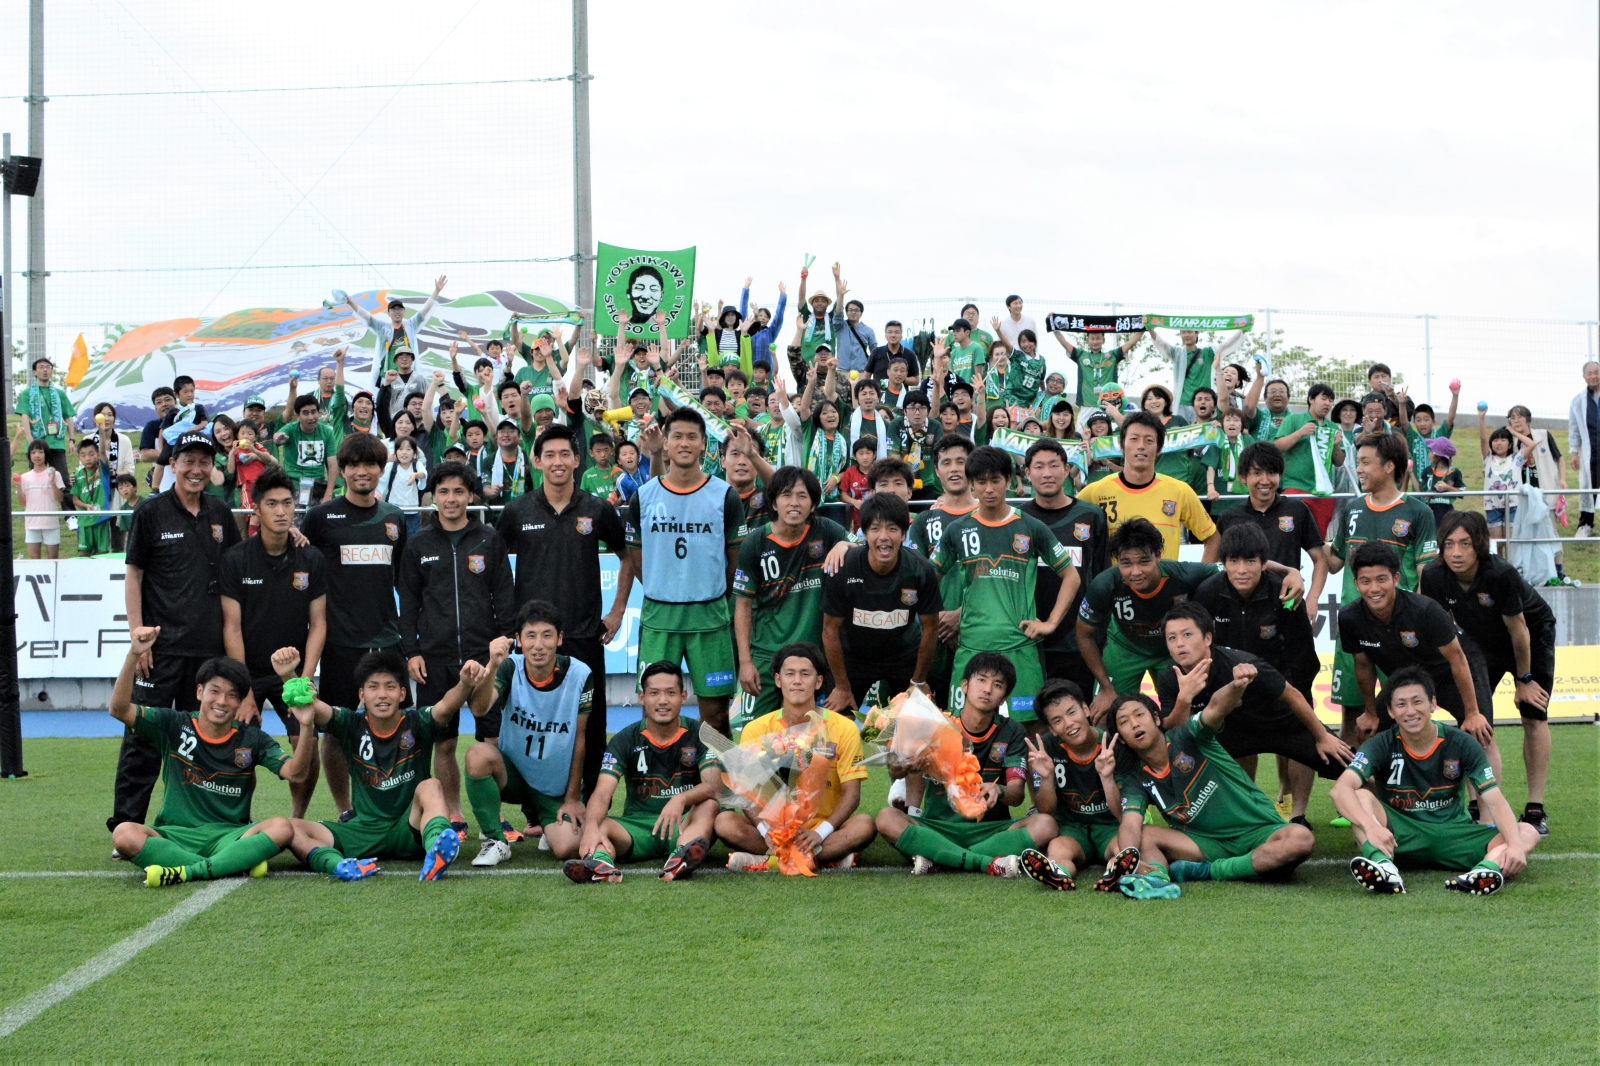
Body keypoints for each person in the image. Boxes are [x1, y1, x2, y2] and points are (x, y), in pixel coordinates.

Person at [109, 431, 243, 844]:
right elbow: (134, 576)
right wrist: (138, 638)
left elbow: (240, 565)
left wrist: (293, 536)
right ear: (173, 465)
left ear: (213, 468)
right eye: (188, 461)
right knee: (143, 739)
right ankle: (126, 825)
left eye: (204, 462)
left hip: (207, 653)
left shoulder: (220, 512)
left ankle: (192, 825)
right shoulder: (151, 511)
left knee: (199, 743)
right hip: (159, 650)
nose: (196, 470)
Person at [109, 628, 314, 887]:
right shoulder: (174, 724)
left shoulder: (253, 739)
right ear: (199, 692)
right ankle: (231, 862)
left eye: (232, 695)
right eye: (214, 691)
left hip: (230, 836)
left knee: (282, 827)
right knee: (124, 833)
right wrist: (133, 654)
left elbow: (297, 773)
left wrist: (306, 725)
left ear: (240, 702)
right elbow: (119, 709)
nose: (222, 701)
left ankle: (186, 870)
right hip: (176, 835)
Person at [496, 423, 631, 799]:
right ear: (538, 461)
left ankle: (591, 804)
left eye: (565, 454)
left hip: (584, 634)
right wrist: (508, 625)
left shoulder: (597, 509)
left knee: (591, 723)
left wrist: (618, 611)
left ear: (576, 460)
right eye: (550, 455)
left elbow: (627, 558)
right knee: (533, 723)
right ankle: (534, 811)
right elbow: (493, 566)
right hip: (534, 642)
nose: (558, 462)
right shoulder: (517, 511)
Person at [1331, 667, 1540, 896]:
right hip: (1398, 837)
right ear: (1390, 711)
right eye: (1401, 704)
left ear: (1432, 704)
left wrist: (1516, 846)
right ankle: (1384, 868)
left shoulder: (1461, 743)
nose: (1410, 711)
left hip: (1455, 835)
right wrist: (1371, 827)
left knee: (1527, 832)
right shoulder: (1380, 744)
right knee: (1360, 797)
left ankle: (1483, 872)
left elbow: (1494, 800)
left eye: (1417, 702)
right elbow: (1340, 790)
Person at [284, 649, 473, 881]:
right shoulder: (350, 723)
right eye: (373, 687)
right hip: (363, 831)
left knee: (431, 786)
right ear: (362, 694)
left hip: (410, 828)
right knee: (292, 828)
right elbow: (313, 706)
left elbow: (445, 707)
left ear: (402, 693)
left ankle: (436, 847)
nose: (382, 695)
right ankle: (337, 865)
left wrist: (465, 684)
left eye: (390, 687)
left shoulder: (417, 721)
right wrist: (288, 674)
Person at [1156, 604, 1352, 826]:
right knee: (1182, 757)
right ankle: (1207, 821)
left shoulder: (1241, 663)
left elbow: (1293, 695)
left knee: (1350, 766)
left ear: (1208, 638)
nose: (1180, 643)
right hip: (1233, 734)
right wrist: (1184, 699)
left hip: (1281, 726)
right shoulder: (1169, 678)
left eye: (1187, 635)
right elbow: (1176, 731)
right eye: (1172, 638)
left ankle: (1306, 815)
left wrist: (1322, 736)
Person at [1422, 511, 1557, 835]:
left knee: (1533, 714)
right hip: (1480, 645)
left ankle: (1535, 808)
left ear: (1480, 545)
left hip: (1531, 637)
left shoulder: (1500, 573)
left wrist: (1524, 680)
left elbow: (1519, 630)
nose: (1456, 553)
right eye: (1449, 544)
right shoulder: (1434, 575)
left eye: (1465, 544)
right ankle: (1477, 804)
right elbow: (1436, 628)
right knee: (1475, 721)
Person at [398, 460, 515, 831]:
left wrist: (506, 638)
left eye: (459, 491)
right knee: (444, 743)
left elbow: (504, 592)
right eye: (444, 491)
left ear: (471, 496)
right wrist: (412, 651)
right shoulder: (418, 544)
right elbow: (408, 604)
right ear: (433, 496)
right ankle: (454, 813)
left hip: (484, 656)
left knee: (491, 741)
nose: (451, 499)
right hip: (435, 658)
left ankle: (495, 815)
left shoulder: (488, 538)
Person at [1108, 682, 1315, 892]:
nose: (1134, 724)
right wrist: (1129, 860)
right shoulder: (1135, 779)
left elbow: (1215, 708)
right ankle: (1156, 879)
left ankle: (1208, 871)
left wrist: (1236, 684)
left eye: (1139, 715)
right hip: (1205, 844)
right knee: (1143, 834)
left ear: (1156, 718)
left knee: (1301, 840)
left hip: (1259, 831)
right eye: (1124, 722)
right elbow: (1130, 824)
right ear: (1122, 739)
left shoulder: (1189, 737)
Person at [301, 432, 409, 820]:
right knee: (335, 729)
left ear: (381, 469)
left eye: (370, 464)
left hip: (388, 640)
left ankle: (397, 809)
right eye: (353, 465)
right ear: (343, 470)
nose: (362, 471)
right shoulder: (320, 517)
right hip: (339, 643)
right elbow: (303, 573)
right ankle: (345, 809)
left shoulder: (394, 518)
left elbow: (403, 580)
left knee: (399, 727)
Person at [618, 407, 746, 735]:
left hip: (710, 617)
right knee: (657, 711)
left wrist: (712, 593)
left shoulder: (725, 495)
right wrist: (662, 586)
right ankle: (661, 771)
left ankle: (717, 771)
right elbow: (636, 558)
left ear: (704, 444)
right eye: (677, 436)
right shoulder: (644, 496)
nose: (684, 443)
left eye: (692, 437)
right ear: (666, 443)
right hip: (660, 617)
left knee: (715, 716)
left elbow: (735, 561)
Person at [930, 446, 1080, 724]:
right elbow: (928, 577)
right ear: (972, 484)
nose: (989, 489)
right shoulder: (957, 530)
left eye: (995, 480)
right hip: (972, 646)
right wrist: (936, 616)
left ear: (1009, 481)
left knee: (1030, 728)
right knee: (963, 728)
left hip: (1020, 646)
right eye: (981, 482)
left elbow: (1072, 576)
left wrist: (1050, 623)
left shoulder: (1031, 527)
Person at [1338, 543, 1499, 800]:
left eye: (1381, 579)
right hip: (1407, 682)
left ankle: (1484, 812)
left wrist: (1472, 713)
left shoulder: (1424, 610)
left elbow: (1458, 659)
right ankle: (1384, 805)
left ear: (1396, 579)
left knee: (1480, 733)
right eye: (1366, 581)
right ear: (1356, 583)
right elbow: (1364, 665)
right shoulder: (1349, 617)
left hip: (1452, 672)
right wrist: (1370, 712)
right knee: (1371, 732)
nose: (1374, 589)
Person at [875, 652, 1056, 876]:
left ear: (1003, 698)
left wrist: (998, 790)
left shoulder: (1013, 731)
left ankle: (940, 858)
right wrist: (908, 766)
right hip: (938, 827)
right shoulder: (936, 723)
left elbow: (1016, 794)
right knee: (886, 818)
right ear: (964, 686)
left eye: (997, 685)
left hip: (989, 830)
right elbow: (895, 770)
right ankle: (985, 862)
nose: (987, 689)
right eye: (981, 680)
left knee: (1046, 825)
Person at [219, 466, 328, 819]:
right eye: (271, 504)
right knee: (239, 749)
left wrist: (303, 680)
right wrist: (243, 689)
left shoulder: (310, 558)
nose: (281, 511)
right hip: (247, 673)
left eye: (287, 503)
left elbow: (318, 623)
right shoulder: (236, 559)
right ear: (256, 509)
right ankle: (239, 822)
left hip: (291, 675)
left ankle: (297, 820)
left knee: (306, 744)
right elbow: (232, 627)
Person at [1194, 523, 1323, 818]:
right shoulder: (1207, 592)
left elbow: (1302, 654)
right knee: (1235, 748)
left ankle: (1299, 815)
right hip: (1233, 693)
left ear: (1264, 563)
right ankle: (1247, 814)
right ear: (1223, 562)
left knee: (1305, 741)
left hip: (1282, 690)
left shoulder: (1286, 593)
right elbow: (1202, 650)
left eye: (1250, 561)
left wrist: (1294, 695)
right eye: (1234, 561)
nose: (1242, 570)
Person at [717, 643, 880, 872]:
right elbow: (748, 794)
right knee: (725, 823)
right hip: (774, 829)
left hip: (824, 830)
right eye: (790, 674)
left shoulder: (844, 728)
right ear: (777, 680)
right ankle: (821, 858)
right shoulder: (756, 729)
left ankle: (772, 860)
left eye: (805, 674)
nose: (797, 681)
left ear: (819, 681)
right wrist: (767, 832)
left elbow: (852, 795)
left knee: (864, 825)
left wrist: (820, 832)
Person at [1327, 432, 1439, 754]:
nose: (1359, 469)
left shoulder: (1418, 512)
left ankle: (1409, 774)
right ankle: (1352, 781)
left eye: (1365, 462)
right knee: (1353, 717)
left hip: (1400, 630)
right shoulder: (1353, 509)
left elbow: (1426, 573)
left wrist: (1421, 620)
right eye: (1358, 462)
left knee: (1405, 712)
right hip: (1353, 629)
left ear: (1389, 466)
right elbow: (1333, 562)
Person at [559, 661, 718, 883]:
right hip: (637, 828)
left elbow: (712, 786)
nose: (662, 701)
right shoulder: (624, 739)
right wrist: (591, 827)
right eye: (654, 693)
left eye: (670, 693)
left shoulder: (703, 733)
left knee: (709, 805)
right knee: (598, 824)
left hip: (682, 825)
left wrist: (681, 799)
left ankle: (679, 859)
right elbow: (603, 793)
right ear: (642, 698)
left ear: (683, 696)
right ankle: (601, 866)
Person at [463, 603, 594, 866]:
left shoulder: (580, 674)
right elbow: (478, 709)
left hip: (553, 788)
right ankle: (496, 841)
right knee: (477, 754)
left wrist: (572, 798)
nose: (538, 645)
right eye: (531, 636)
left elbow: (580, 738)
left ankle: (548, 825)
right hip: (513, 776)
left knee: (568, 847)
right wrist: (493, 665)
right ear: (519, 640)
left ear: (559, 639)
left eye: (547, 635)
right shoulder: (510, 667)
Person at [733, 466, 851, 719]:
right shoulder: (755, 543)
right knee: (755, 736)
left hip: (818, 654)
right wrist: (745, 662)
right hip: (766, 654)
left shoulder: (827, 530)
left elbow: (864, 545)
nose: (794, 503)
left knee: (829, 732)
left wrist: (845, 544)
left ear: (813, 504)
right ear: (774, 503)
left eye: (802, 496)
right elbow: (742, 605)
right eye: (786, 495)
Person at [820, 492, 943, 712]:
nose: (884, 536)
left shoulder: (920, 569)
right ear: (865, 533)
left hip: (904, 656)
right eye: (875, 528)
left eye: (892, 529)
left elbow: (931, 627)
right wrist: (841, 686)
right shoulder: (845, 567)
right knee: (838, 725)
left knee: (915, 722)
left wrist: (918, 681)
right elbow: (830, 630)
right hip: (854, 658)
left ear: (903, 534)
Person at [1020, 438, 1110, 697]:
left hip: (1079, 639)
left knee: (1078, 710)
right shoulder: (1018, 519)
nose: (1047, 473)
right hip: (1029, 637)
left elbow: (1103, 577)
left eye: (1054, 465)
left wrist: (1099, 631)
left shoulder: (1091, 515)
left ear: (1067, 469)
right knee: (1033, 713)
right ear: (1027, 474)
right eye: (1039, 467)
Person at [1015, 680, 1125, 891]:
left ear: (1085, 709)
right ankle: (1058, 873)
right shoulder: (1046, 748)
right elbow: (1046, 811)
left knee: (1122, 847)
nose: (1069, 723)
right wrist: (1046, 777)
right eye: (1057, 720)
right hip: (1072, 828)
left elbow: (1122, 812)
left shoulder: (1113, 745)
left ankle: (1116, 872)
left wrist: (1107, 778)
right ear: (1051, 729)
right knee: (1058, 848)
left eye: (1072, 712)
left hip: (1110, 826)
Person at [1078, 411, 1218, 560]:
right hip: (1114, 576)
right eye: (1134, 439)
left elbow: (1213, 538)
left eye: (1149, 440)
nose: (1141, 446)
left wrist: (1201, 574)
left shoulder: (1179, 491)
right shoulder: (1094, 492)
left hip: (1163, 576)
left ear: (1159, 449)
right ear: (1122, 446)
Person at [1213, 442, 1328, 620]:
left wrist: (1313, 599)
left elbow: (1320, 559)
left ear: (1280, 475)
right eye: (1257, 473)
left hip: (1287, 606)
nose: (1265, 481)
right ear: (1243, 477)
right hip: (1242, 611)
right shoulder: (1229, 517)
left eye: (1272, 473)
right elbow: (1216, 565)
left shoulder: (1297, 510)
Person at [906, 435, 977, 708]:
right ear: (936, 470)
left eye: (961, 461)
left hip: (977, 629)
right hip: (933, 632)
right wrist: (937, 618)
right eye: (946, 463)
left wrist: (961, 614)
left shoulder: (991, 515)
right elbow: (915, 580)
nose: (954, 469)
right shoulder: (924, 521)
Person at [344, 277, 446, 383]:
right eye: (393, 309)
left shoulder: (411, 325)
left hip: (407, 376)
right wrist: (351, 302)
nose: (397, 312)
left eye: (400, 309)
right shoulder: (382, 328)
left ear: (404, 312)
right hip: (388, 376)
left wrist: (437, 291)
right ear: (389, 313)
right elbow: (367, 317)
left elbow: (424, 310)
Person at [1271, 383, 1343, 532]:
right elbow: (1278, 446)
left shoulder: (1333, 427)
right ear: (1311, 399)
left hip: (1324, 492)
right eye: (1324, 398)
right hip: (1296, 487)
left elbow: (1339, 461)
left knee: (1318, 536)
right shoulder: (1293, 420)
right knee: (1290, 534)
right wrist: (1300, 433)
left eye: (1330, 400)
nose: (1327, 403)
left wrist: (1336, 445)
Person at [1147, 326, 1245, 416]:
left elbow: (1227, 345)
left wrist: (1243, 330)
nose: (1186, 335)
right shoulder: (1177, 353)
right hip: (1182, 405)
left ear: (1197, 333)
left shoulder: (1207, 352)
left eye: (1189, 332)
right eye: (1183, 332)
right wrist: (1150, 329)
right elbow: (1162, 344)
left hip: (1203, 405)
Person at [13, 356, 76, 485]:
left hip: (56, 443)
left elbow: (68, 416)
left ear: (51, 371)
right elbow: (25, 416)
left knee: (63, 480)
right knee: (36, 481)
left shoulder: (60, 393)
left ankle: (65, 499)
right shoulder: (27, 393)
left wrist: (71, 440)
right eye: (41, 367)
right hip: (36, 443)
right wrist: (30, 439)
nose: (45, 370)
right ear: (35, 372)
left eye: (48, 367)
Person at [272, 394, 339, 507]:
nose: (311, 417)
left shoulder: (327, 432)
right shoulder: (291, 429)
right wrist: (278, 438)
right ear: (298, 416)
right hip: (294, 484)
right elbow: (277, 436)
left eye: (313, 412)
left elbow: (333, 465)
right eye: (305, 413)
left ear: (318, 413)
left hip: (318, 485)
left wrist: (328, 495)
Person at [1052, 329, 1140, 409]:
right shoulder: (1081, 355)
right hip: (1086, 405)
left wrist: (1143, 327)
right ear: (1087, 340)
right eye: (1092, 338)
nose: (1095, 341)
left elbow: (1131, 342)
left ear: (1103, 340)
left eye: (1098, 338)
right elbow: (1064, 343)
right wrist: (1054, 328)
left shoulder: (1112, 355)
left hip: (1108, 404)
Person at [1478, 412, 1523, 542]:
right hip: (1492, 505)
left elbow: (1531, 444)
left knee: (1512, 542)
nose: (1499, 443)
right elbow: (1483, 439)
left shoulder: (1517, 458)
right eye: (1495, 440)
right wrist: (1481, 418)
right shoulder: (1488, 458)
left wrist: (1513, 433)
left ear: (1510, 444)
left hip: (1513, 504)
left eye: (1503, 440)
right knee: (1496, 543)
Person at [18, 438, 66, 560]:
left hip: (50, 523)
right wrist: (18, 485)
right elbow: (22, 502)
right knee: (34, 559)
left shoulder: (55, 474)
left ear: (46, 454)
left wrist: (52, 482)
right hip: (31, 524)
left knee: (53, 558)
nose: (37, 455)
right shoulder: (25, 477)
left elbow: (60, 498)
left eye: (40, 452)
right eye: (33, 452)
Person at [1568, 360, 1600, 537]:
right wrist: (1574, 451)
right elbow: (1574, 428)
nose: (1594, 376)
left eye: (1597, 372)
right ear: (1584, 376)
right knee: (1588, 487)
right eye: (1590, 373)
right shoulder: (1578, 401)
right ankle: (1586, 524)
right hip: (1591, 451)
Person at [1421, 437, 1464, 525]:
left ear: (1439, 455)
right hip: (1429, 512)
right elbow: (1421, 489)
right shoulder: (1427, 471)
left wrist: (1447, 487)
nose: (1429, 453)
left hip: (1447, 513)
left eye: (1431, 451)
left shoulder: (1455, 472)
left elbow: (1462, 492)